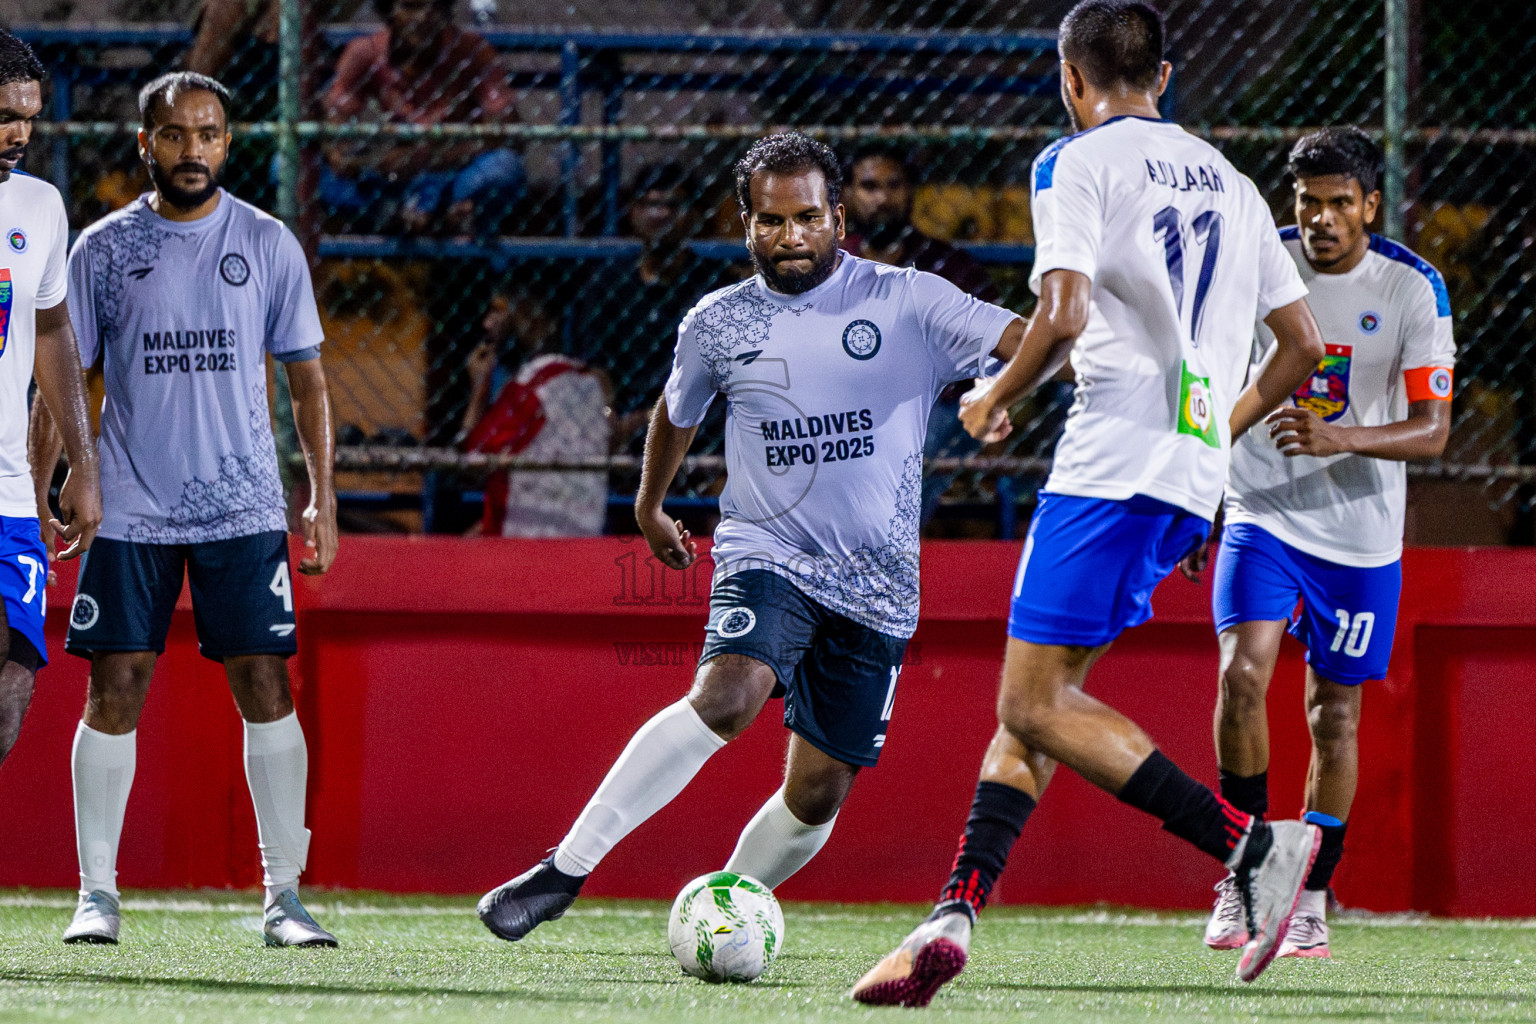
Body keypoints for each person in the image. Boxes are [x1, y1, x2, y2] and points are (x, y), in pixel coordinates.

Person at [850, 1, 1329, 1004]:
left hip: (1110, 462)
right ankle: (954, 913)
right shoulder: (1237, 183)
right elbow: (1301, 348)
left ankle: (1253, 850)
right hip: (1186, 470)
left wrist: (992, 394)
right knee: (1047, 703)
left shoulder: (1073, 163)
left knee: (1029, 701)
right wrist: (1211, 438)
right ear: (1164, 77)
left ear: (1070, 78)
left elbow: (1062, 312)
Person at [475, 131, 1025, 943]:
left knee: (817, 794)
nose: (790, 236)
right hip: (767, 551)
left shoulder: (910, 299)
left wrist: (998, 390)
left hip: (878, 586)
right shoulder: (718, 321)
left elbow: (1032, 338)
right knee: (728, 695)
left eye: (807, 218)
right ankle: (564, 870)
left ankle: (725, 905)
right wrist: (649, 504)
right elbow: (676, 412)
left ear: (838, 219)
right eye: (771, 221)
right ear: (746, 225)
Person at [31, 72, 340, 948]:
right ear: (145, 144)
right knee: (115, 686)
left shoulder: (267, 241)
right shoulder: (101, 248)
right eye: (173, 134)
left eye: (208, 134)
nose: (191, 150)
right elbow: (62, 379)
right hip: (131, 505)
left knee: (265, 684)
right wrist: (42, 488)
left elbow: (308, 380)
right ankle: (96, 895)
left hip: (242, 505)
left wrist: (322, 495)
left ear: (228, 144)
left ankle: (284, 899)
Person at [1190, 126, 1453, 959]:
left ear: (1370, 205)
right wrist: (1197, 489)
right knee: (1240, 676)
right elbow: (1211, 372)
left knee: (1332, 714)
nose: (1322, 219)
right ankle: (1245, 873)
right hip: (1260, 508)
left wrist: (1342, 438)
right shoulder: (1257, 259)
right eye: (1309, 203)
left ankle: (1308, 895)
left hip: (1359, 535)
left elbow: (1434, 431)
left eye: (1340, 203)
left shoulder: (1413, 287)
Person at [0, 30, 103, 768]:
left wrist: (82, 468)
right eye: (5, 116)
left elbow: (54, 330)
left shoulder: (38, 205)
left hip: (8, 488)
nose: (20, 135)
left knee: (15, 676)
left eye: (30, 118)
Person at [841, 143, 1002, 523]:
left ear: (911, 191)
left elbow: (993, 352)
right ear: (847, 193)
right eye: (869, 186)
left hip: (932, 408)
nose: (882, 198)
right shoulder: (832, 266)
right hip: (848, 404)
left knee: (919, 435)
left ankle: (890, 532)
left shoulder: (948, 266)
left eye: (894, 185)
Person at [323, 0, 522, 235]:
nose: (423, 17)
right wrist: (350, 158)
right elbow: (334, 123)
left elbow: (509, 131)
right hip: (392, 179)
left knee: (504, 167)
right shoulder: (366, 52)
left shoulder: (470, 50)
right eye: (411, 6)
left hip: (454, 172)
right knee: (307, 174)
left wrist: (429, 156)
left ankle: (438, 213)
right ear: (389, 11)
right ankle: (396, 214)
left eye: (434, 6)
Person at [572, 163, 733, 447]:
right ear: (633, 212)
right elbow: (597, 362)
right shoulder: (610, 283)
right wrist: (608, 414)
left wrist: (649, 418)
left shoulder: (715, 285)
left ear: (695, 215)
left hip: (698, 425)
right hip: (625, 418)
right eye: (649, 204)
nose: (660, 214)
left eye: (673, 205)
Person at [460, 290, 612, 537]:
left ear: (530, 315)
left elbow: (473, 458)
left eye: (498, 311)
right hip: (570, 531)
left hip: (528, 539)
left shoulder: (536, 382)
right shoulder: (586, 380)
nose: (487, 323)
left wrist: (479, 388)